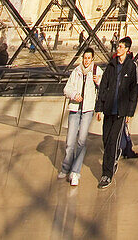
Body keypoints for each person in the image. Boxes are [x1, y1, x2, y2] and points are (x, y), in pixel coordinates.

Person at [94, 36, 138, 189]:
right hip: (108, 109)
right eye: (118, 46)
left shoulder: (132, 67)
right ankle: (113, 159)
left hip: (121, 111)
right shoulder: (111, 65)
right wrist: (99, 107)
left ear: (127, 49)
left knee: (113, 141)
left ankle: (107, 174)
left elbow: (134, 90)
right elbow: (103, 87)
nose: (118, 49)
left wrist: (130, 112)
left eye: (121, 47)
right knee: (106, 140)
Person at [59, 46, 102, 187]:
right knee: (70, 142)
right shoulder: (76, 71)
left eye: (89, 58)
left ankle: (75, 172)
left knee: (82, 141)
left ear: (93, 59)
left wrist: (98, 82)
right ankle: (66, 167)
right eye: (85, 58)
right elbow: (66, 88)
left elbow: (105, 88)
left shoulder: (97, 72)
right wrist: (74, 95)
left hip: (88, 110)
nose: (86, 60)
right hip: (74, 109)